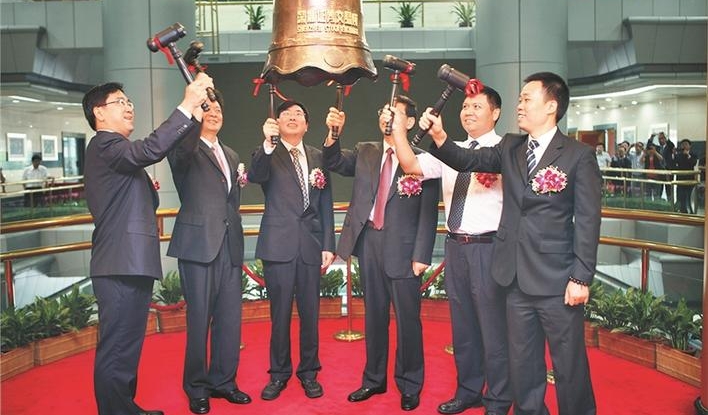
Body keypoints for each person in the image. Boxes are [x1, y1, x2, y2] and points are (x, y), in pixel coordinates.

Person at [424, 72, 600, 415]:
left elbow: (588, 221)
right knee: (523, 362)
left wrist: (580, 277)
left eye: (526, 99)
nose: (519, 105)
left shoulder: (578, 155)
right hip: (514, 278)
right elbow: (468, 160)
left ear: (551, 106)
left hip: (556, 279)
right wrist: (440, 136)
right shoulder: (511, 147)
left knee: (568, 364)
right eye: (519, 99)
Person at [82, 73, 212, 415]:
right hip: (119, 263)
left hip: (129, 262)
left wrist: (194, 113)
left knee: (126, 346)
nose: (129, 107)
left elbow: (152, 150)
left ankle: (125, 408)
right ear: (99, 112)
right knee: (116, 348)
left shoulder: (115, 152)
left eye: (129, 102)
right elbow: (150, 149)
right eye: (120, 102)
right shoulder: (105, 144)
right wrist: (185, 104)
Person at [389, 87, 511, 415]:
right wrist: (399, 130)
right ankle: (468, 391)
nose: (468, 111)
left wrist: (440, 137)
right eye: (465, 106)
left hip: (489, 248)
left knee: (493, 329)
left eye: (477, 106)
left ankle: (498, 399)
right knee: (463, 327)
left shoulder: (504, 150)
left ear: (495, 113)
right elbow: (411, 165)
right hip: (455, 247)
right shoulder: (450, 151)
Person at [323, 95, 440, 411]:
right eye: (384, 111)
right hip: (369, 244)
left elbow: (429, 213)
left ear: (410, 122)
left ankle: (410, 383)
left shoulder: (423, 159)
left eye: (395, 112)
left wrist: (422, 254)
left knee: (407, 321)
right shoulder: (366, 151)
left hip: (404, 251)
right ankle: (374, 379)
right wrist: (334, 133)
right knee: (374, 318)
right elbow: (333, 162)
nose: (387, 116)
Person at [166, 90, 250, 414]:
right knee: (199, 319)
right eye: (207, 109)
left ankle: (224, 382)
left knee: (230, 319)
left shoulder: (230, 153)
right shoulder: (184, 147)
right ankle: (197, 387)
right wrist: (192, 110)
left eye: (218, 109)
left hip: (229, 244)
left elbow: (232, 202)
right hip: (198, 245)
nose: (214, 113)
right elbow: (182, 151)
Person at [249, 100, 336, 401]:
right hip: (278, 246)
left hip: (311, 245)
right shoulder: (267, 153)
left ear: (307, 125)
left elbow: (326, 202)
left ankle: (309, 372)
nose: (292, 117)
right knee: (280, 314)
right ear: (276, 122)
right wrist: (267, 143)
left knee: (311, 314)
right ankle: (278, 373)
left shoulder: (318, 156)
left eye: (299, 113)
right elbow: (255, 175)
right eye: (286, 113)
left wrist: (328, 244)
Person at [674, 139, 697, 214]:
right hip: (680, 179)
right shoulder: (678, 155)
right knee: (681, 197)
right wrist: (673, 154)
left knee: (690, 197)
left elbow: (693, 163)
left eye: (686, 144)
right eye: (683, 144)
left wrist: (688, 155)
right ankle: (683, 212)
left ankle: (692, 212)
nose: (684, 146)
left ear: (690, 146)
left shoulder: (693, 154)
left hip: (690, 179)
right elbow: (675, 164)